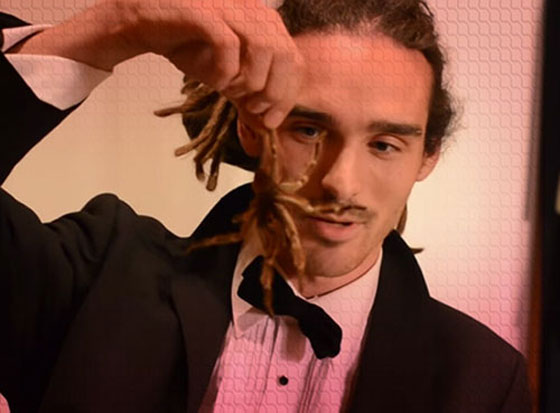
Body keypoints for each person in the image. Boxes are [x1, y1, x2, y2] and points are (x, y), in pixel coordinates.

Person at [0, 0, 532, 412]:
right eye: (309, 130)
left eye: (384, 144)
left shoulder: (485, 380)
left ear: (427, 155)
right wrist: (121, 24)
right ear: (251, 128)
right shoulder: (96, 275)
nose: (340, 183)